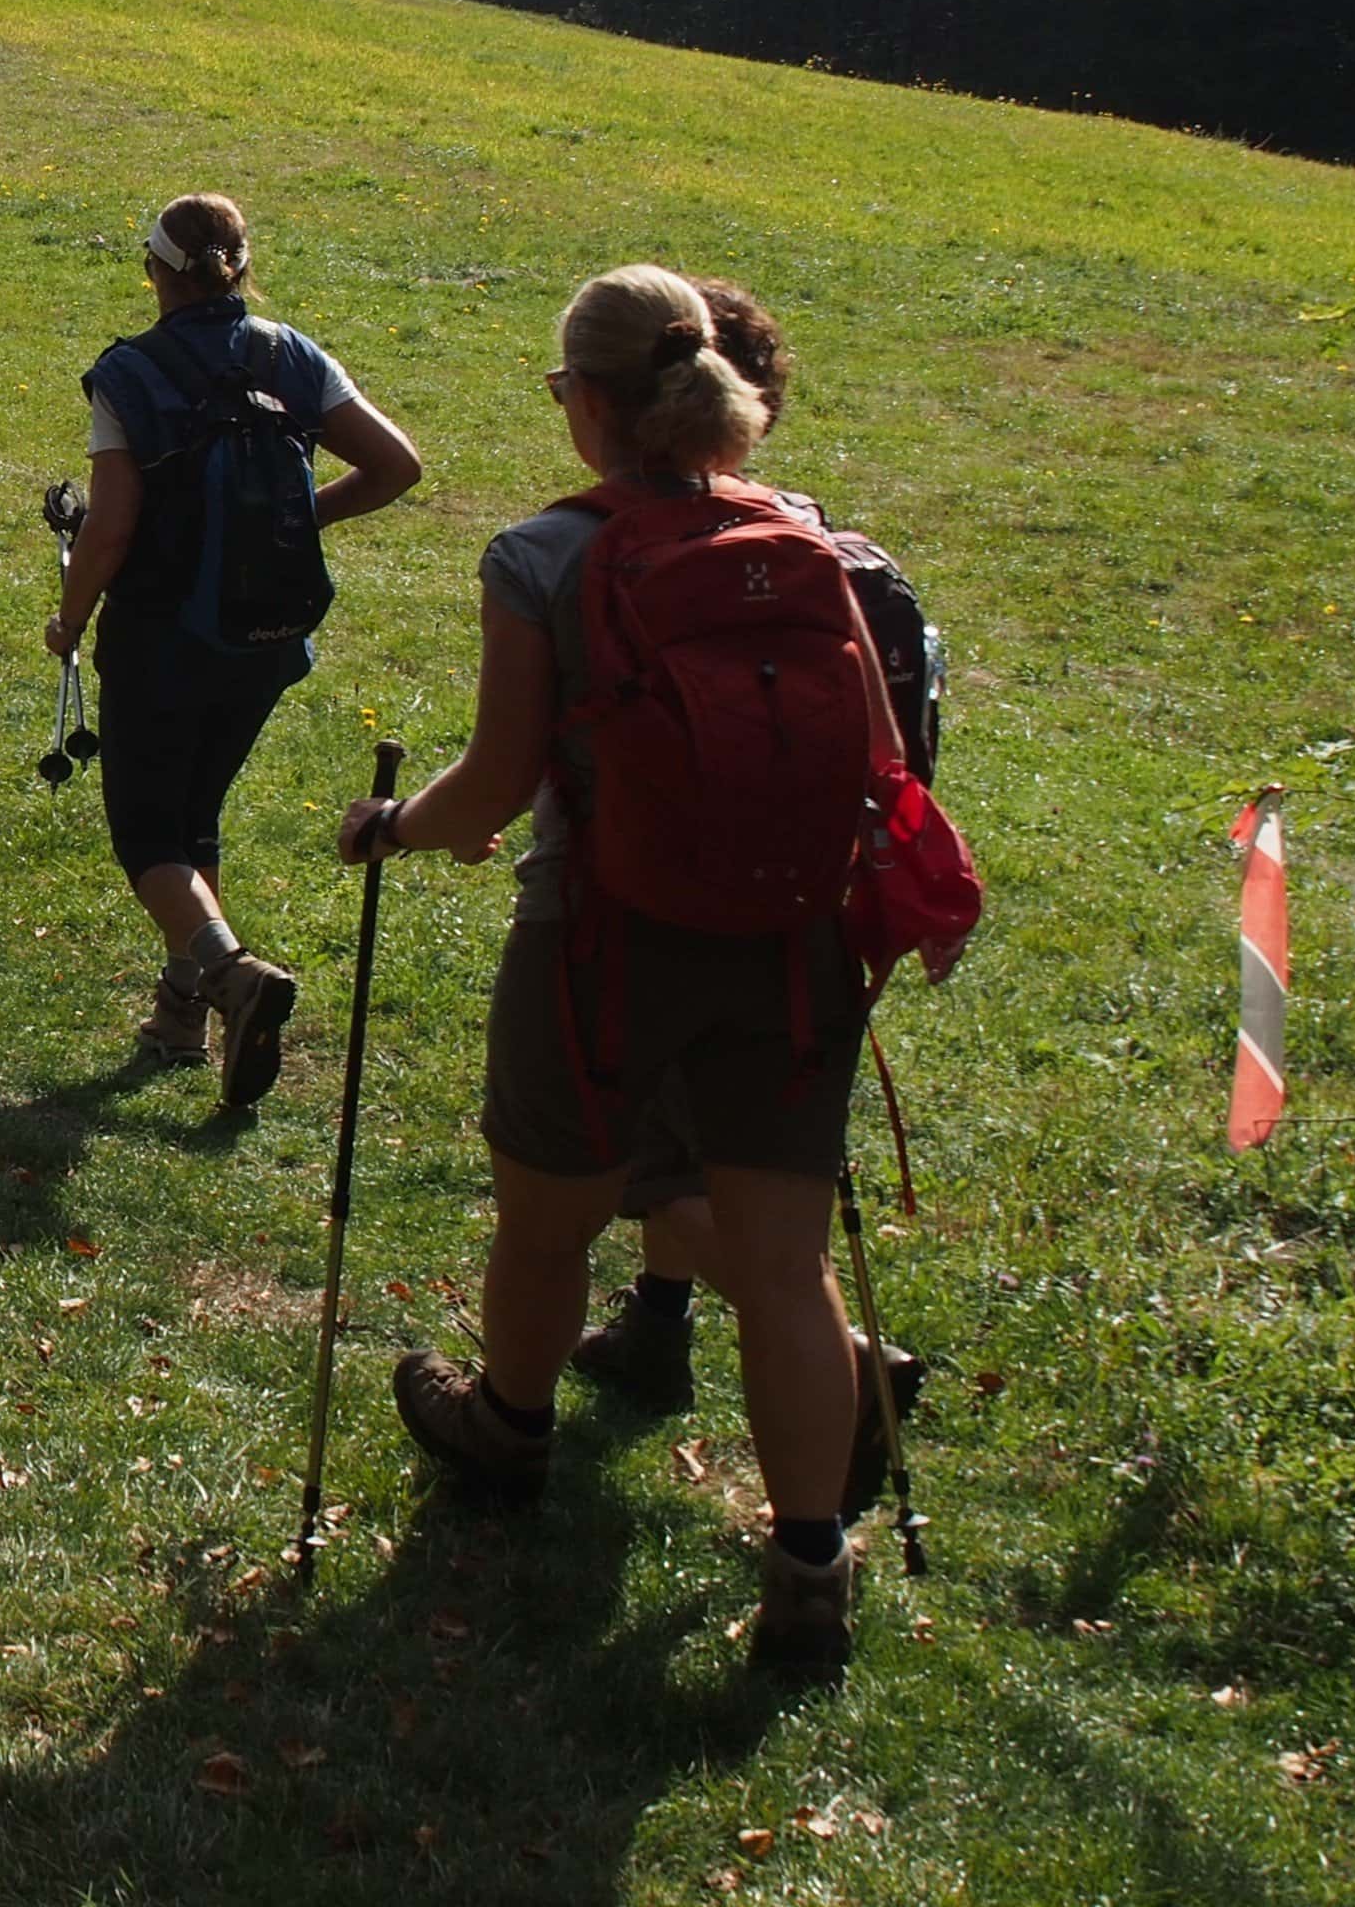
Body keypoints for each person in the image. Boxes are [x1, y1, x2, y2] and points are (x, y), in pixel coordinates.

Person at [338, 263, 888, 1671]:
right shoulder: (820, 544)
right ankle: (811, 1562)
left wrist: (396, 827)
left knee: (548, 1218)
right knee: (781, 1265)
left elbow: (496, 785)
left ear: (587, 401)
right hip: (793, 956)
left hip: (603, 943)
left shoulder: (543, 558)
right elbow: (883, 768)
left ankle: (509, 1431)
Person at [566, 281, 925, 1523]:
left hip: (663, 903)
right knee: (726, 1164)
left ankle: (844, 1370)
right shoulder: (844, 556)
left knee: (662, 1174)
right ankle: (657, 1326)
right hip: (812, 919)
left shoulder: (639, 552)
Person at [46, 193, 420, 1110]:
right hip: (266, 636)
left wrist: (69, 615)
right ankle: (182, 1016)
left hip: (161, 632)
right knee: (197, 815)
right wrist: (294, 522)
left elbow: (113, 527)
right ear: (241, 267)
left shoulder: (129, 374)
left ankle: (234, 976)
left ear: (156, 273)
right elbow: (397, 465)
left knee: (147, 836)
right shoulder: (287, 353)